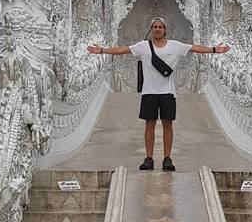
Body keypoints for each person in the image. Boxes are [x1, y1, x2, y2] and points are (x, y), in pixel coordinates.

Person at [87, 17, 231, 170]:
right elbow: (123, 50)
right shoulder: (143, 47)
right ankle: (149, 158)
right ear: (151, 29)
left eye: (160, 27)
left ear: (165, 29)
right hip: (149, 92)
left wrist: (215, 50)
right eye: (154, 27)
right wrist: (102, 50)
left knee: (167, 125)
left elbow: (194, 48)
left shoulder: (175, 46)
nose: (157, 29)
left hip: (167, 92)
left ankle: (167, 158)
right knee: (149, 126)